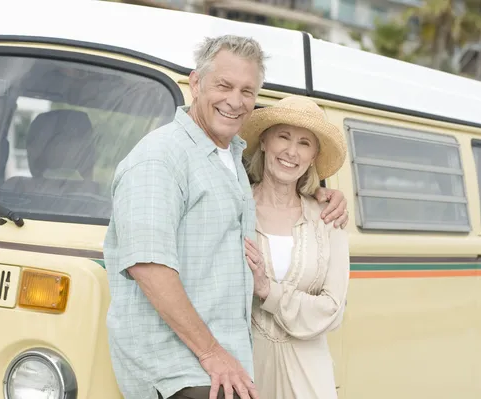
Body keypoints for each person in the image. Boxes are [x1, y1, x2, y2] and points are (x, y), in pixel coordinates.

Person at [103, 35, 349, 399]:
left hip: (222, 370)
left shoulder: (230, 162)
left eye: (247, 91)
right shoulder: (159, 157)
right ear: (196, 83)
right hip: (181, 372)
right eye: (224, 85)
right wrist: (212, 353)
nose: (235, 101)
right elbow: (149, 266)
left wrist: (320, 194)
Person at [241, 95, 351, 399]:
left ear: (313, 156)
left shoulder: (329, 219)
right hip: (245, 371)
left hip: (310, 378)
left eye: (304, 143)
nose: (291, 151)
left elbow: (333, 309)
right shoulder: (233, 206)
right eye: (283, 137)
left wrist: (268, 290)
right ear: (264, 141)